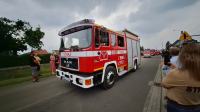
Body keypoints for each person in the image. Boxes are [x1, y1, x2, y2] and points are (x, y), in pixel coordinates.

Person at [154, 43, 200, 112]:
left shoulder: (176, 73)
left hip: (178, 107)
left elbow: (164, 84)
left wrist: (175, 70)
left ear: (183, 56)